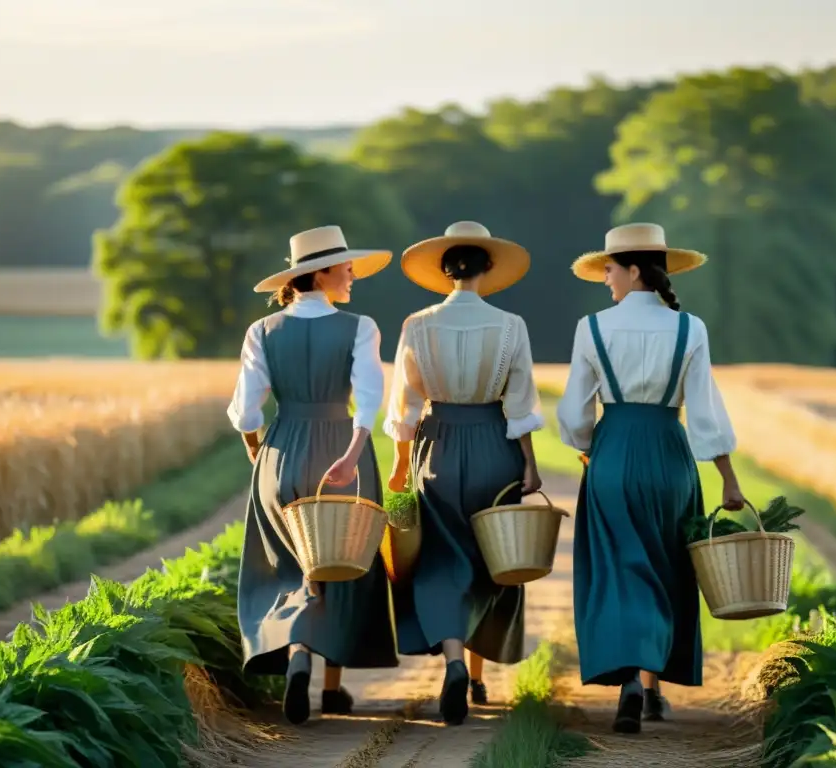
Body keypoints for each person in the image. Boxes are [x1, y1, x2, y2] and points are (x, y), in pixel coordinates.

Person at [556, 222, 743, 734]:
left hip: (613, 453)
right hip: (669, 457)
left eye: (611, 269)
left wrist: (589, 449)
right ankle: (652, 684)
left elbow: (575, 412)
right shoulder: (691, 328)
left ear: (634, 269)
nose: (606, 279)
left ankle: (631, 684)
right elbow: (706, 412)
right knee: (665, 568)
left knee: (620, 569)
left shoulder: (592, 327)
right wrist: (729, 478)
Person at [228, 224, 399, 726]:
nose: (352, 275)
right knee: (342, 564)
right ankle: (330, 685)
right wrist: (350, 454)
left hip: (280, 454)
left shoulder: (261, 331)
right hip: (342, 452)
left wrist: (261, 455)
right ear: (319, 273)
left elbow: (245, 413)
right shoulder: (360, 327)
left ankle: (297, 654)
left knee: (289, 565)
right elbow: (368, 400)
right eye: (346, 268)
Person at [384, 220, 545, 726]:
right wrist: (530, 462)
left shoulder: (416, 325)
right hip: (495, 445)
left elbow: (404, 406)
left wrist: (399, 467)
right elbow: (520, 403)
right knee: (491, 558)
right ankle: (477, 676)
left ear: (444, 271)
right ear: (488, 269)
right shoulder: (511, 325)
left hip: (438, 446)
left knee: (440, 559)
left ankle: (454, 662)